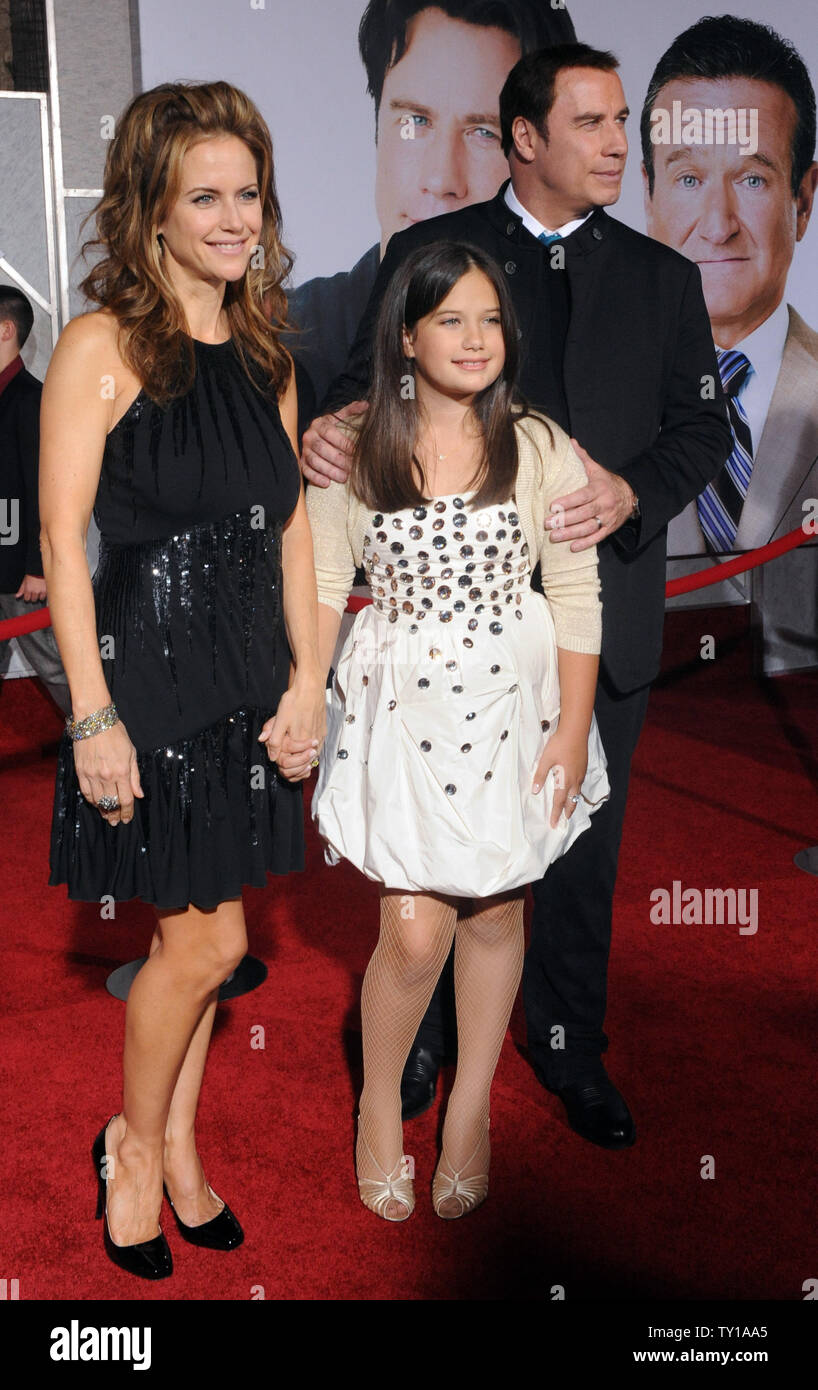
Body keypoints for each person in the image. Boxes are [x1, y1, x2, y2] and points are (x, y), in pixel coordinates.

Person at [302, 43, 732, 1148]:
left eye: (617, 121)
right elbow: (362, 392)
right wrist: (330, 425)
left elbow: (699, 430)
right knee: (437, 863)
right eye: (588, 123)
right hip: (440, 636)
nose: (614, 145)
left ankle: (564, 1044)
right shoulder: (426, 252)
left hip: (599, 614)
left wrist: (631, 491)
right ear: (525, 138)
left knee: (575, 853)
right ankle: (424, 1043)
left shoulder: (661, 276)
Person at [40, 81, 325, 1279]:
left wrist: (311, 679)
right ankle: (132, 1148)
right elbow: (61, 543)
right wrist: (92, 716)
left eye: (244, 192)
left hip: (252, 685)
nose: (230, 218)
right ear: (150, 211)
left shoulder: (265, 345)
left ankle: (180, 1145)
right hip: (146, 687)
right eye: (201, 196)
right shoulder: (100, 345)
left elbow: (294, 530)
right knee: (201, 951)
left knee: (209, 942)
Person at [296, 240, 607, 1220]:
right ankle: (379, 1105)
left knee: (497, 913)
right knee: (415, 932)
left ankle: (468, 1106)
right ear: (405, 334)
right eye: (449, 320)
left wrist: (569, 731)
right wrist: (306, 687)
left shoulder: (541, 445)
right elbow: (312, 579)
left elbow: (573, 592)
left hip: (516, 710)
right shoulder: (353, 444)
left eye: (487, 320)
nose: (473, 339)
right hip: (404, 713)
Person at [289, 0, 576, 430]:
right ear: (376, 130)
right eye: (416, 121)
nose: (442, 178)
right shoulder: (289, 338)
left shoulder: (582, 336)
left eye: (483, 132)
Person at [641, 15, 818, 675]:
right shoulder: (576, 404)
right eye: (688, 179)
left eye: (752, 179)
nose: (717, 225)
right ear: (648, 193)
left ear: (804, 199)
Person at [0, 287, 69, 714]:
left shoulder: (31, 399)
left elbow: (49, 487)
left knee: (58, 667)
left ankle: (108, 751)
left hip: (23, 574)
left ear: (6, 330)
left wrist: (39, 568)